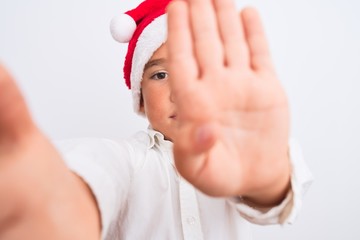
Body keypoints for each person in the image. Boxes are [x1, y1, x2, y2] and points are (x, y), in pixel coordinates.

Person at [0, 0, 313, 239]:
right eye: (160, 74)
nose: (181, 93)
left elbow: (275, 204)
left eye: (197, 72)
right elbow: (96, 168)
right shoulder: (128, 160)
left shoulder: (233, 154)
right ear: (140, 94)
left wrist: (265, 179)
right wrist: (61, 199)